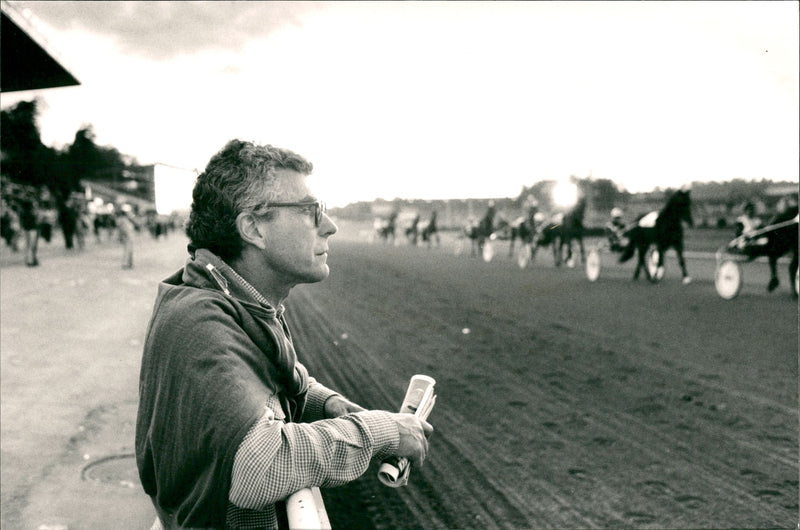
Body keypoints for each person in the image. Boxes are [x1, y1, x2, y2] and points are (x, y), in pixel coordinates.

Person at [135, 140, 433, 529]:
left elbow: (276, 381)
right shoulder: (200, 322)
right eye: (312, 211)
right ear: (254, 227)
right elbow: (258, 468)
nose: (330, 225)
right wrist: (382, 432)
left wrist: (329, 406)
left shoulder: (235, 301)